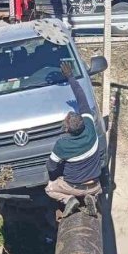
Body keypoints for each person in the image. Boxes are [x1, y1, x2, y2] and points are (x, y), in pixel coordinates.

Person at [45, 61, 103, 219]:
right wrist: (70, 77)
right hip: (95, 184)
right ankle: (92, 197)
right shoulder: (90, 126)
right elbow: (82, 98)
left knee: (50, 189)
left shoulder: (62, 145)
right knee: (89, 186)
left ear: (67, 129)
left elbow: (50, 166)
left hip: (73, 186)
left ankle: (69, 200)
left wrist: (54, 178)